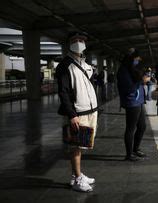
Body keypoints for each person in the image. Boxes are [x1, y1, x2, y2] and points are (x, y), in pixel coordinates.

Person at [55, 32, 98, 192]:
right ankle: (78, 178)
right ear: (69, 43)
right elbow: (63, 92)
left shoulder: (86, 65)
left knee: (82, 145)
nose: (79, 43)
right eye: (75, 40)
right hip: (77, 113)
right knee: (75, 146)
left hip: (90, 111)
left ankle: (76, 175)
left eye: (82, 40)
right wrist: (72, 114)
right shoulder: (65, 66)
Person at [118, 48, 148, 161]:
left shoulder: (132, 68)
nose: (138, 60)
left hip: (139, 101)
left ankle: (136, 149)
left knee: (142, 126)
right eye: (136, 58)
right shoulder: (123, 71)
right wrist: (142, 80)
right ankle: (129, 154)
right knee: (130, 128)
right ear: (130, 58)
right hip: (131, 102)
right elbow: (129, 88)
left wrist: (142, 79)